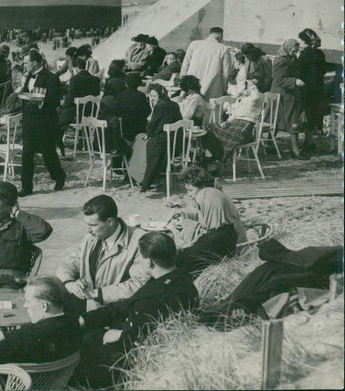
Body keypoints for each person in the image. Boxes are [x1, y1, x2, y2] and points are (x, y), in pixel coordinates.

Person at [73, 232, 199, 389]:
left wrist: (122, 334)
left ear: (148, 262)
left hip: (132, 357)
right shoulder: (179, 279)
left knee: (80, 348)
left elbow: (150, 334)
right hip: (135, 339)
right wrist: (88, 318)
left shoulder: (158, 295)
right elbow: (127, 305)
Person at [56, 194, 149, 314]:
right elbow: (70, 263)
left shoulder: (139, 241)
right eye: (87, 224)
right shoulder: (91, 237)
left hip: (116, 310)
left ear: (110, 222)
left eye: (93, 225)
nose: (88, 230)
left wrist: (98, 293)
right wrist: (69, 283)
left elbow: (139, 283)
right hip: (88, 302)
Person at [170, 167, 246, 277]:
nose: (189, 194)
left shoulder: (206, 196)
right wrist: (186, 216)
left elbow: (207, 231)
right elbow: (206, 218)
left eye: (190, 190)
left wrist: (185, 225)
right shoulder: (215, 196)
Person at [18, 50, 66, 196]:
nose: (24, 65)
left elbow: (54, 101)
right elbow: (26, 93)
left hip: (45, 122)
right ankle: (26, 187)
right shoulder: (28, 77)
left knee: (48, 153)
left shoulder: (51, 78)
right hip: (29, 120)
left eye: (26, 62)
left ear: (34, 62)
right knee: (26, 155)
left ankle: (59, 176)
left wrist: (39, 101)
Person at [202, 78, 264, 167]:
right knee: (209, 129)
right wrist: (227, 121)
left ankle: (220, 158)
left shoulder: (259, 97)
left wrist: (252, 85)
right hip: (235, 123)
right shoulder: (245, 98)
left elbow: (256, 96)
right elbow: (236, 113)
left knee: (220, 133)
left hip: (245, 125)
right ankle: (216, 156)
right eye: (248, 85)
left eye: (250, 86)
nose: (248, 87)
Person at [138, 84, 182, 192]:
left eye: (154, 96)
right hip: (175, 142)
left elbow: (153, 123)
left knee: (143, 143)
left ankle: (146, 180)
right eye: (151, 96)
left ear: (161, 95)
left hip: (163, 141)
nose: (152, 98)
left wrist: (148, 133)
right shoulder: (175, 105)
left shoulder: (160, 105)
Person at [270, 39, 306, 158]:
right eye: (293, 51)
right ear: (287, 48)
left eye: (296, 51)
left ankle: (270, 145)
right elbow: (279, 80)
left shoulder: (291, 59)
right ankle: (295, 150)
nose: (294, 53)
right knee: (288, 120)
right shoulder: (281, 61)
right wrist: (294, 81)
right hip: (283, 95)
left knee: (283, 120)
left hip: (290, 94)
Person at [179, 26, 234, 99]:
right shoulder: (223, 49)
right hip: (213, 88)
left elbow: (185, 65)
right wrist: (224, 89)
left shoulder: (194, 44)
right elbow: (226, 73)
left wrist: (182, 83)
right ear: (219, 35)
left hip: (191, 85)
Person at [296, 28, 327, 152]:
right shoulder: (320, 54)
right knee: (312, 114)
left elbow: (298, 70)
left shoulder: (305, 54)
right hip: (317, 88)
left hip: (306, 89)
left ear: (305, 41)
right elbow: (323, 71)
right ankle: (310, 141)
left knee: (306, 115)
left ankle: (308, 142)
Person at [58, 57, 101, 130]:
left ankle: (60, 137)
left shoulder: (75, 79)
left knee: (60, 111)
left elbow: (70, 99)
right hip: (92, 113)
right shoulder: (96, 80)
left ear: (76, 68)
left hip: (78, 114)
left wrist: (62, 106)